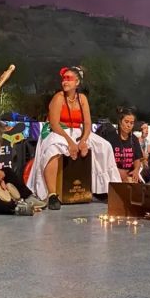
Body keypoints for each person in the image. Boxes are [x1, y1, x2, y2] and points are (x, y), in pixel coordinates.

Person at [27, 66, 121, 209]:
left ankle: (107, 190)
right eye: (64, 79)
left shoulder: (82, 98)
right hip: (59, 131)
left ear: (77, 82)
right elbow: (54, 124)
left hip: (78, 132)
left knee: (105, 146)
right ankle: (52, 194)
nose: (65, 82)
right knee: (53, 148)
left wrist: (83, 141)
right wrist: (71, 143)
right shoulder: (58, 97)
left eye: (69, 79)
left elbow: (88, 123)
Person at [106, 107, 144, 183]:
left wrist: (136, 170)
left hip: (130, 175)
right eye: (126, 122)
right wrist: (118, 171)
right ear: (120, 122)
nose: (129, 125)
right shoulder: (110, 138)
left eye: (131, 123)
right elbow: (105, 160)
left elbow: (137, 159)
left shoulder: (134, 139)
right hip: (113, 175)